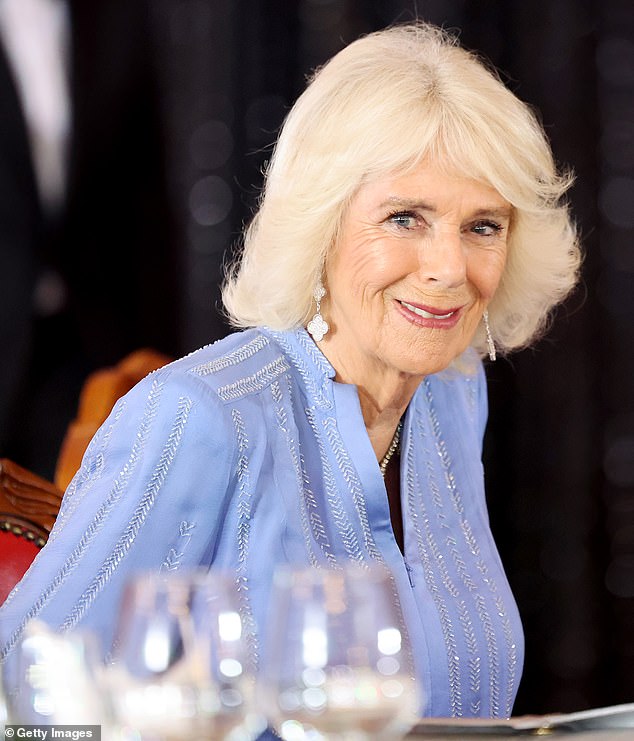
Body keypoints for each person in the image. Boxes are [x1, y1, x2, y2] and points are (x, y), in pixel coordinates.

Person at [0, 22, 580, 721]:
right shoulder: (200, 420)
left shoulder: (454, 395)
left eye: (483, 226)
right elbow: (25, 706)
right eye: (404, 217)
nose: (448, 269)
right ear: (323, 219)